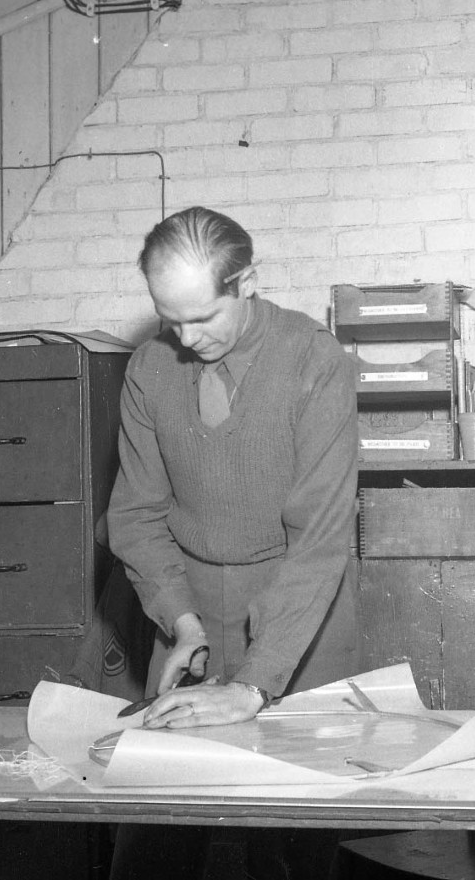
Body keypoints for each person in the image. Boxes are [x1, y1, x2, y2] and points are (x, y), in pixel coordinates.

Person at [105, 206, 358, 879]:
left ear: (247, 281)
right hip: (188, 608)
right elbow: (136, 515)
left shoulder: (315, 360)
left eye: (202, 317)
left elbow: (320, 539)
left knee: (291, 849)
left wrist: (253, 683)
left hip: (302, 621)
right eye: (170, 320)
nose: (186, 339)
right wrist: (182, 623)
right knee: (155, 845)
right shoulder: (149, 369)